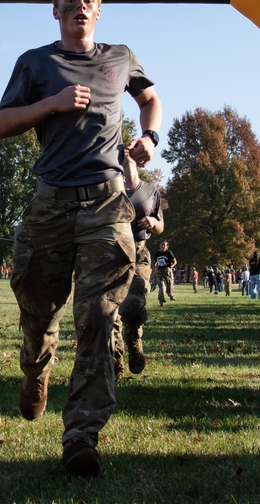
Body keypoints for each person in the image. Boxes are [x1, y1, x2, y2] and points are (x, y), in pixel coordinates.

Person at [0, 0, 161, 477]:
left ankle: (81, 435)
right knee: (38, 313)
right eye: (70, 0)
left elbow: (150, 97)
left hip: (108, 205)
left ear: (98, 7)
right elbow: (2, 124)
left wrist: (150, 138)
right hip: (50, 204)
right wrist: (52, 104)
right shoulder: (35, 63)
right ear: (56, 10)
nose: (79, 6)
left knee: (98, 318)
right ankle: (35, 368)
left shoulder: (121, 57)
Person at [115, 150, 164, 377]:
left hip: (139, 253)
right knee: (109, 311)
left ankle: (134, 343)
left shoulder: (150, 191)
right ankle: (115, 359)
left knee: (132, 307)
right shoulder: (109, 187)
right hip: (110, 252)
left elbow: (161, 226)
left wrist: (153, 221)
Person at [151, 241, 178, 306]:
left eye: (164, 245)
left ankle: (171, 295)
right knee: (162, 287)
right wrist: (155, 266)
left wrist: (170, 267)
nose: (162, 246)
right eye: (161, 245)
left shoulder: (169, 253)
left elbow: (175, 262)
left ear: (167, 247)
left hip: (167, 272)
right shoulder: (157, 253)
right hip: (159, 272)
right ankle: (161, 301)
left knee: (170, 287)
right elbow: (154, 262)